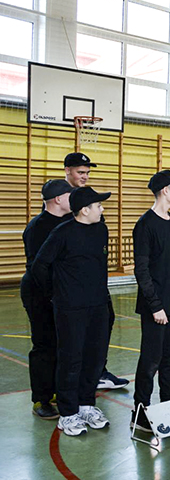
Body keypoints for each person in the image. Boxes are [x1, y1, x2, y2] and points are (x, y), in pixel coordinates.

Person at [31, 187, 113, 437]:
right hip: (70, 308)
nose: (102, 209)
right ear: (85, 209)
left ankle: (87, 405)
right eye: (98, 205)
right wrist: (56, 294)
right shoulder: (62, 233)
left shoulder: (101, 229)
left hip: (98, 304)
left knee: (94, 358)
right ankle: (68, 414)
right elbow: (39, 266)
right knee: (71, 359)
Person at [131, 170, 170, 432]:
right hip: (155, 306)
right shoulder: (145, 225)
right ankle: (140, 410)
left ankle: (166, 404)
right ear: (165, 191)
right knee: (151, 360)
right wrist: (155, 305)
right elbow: (142, 270)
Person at [62, 152, 128, 390]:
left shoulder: (89, 200)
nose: (85, 176)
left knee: (104, 322)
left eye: (88, 172)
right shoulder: (61, 199)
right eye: (81, 172)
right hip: (72, 289)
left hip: (95, 285)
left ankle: (97, 371)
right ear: (67, 170)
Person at [21, 179, 72, 420]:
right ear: (58, 199)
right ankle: (42, 399)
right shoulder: (38, 227)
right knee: (44, 344)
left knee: (64, 344)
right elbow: (37, 268)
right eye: (70, 195)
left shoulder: (70, 222)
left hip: (63, 293)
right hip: (39, 293)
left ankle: (60, 392)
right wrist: (52, 294)